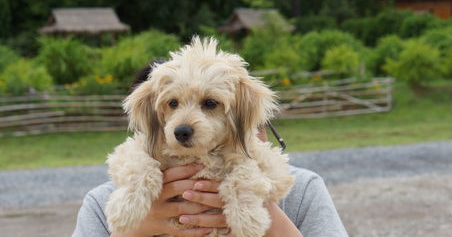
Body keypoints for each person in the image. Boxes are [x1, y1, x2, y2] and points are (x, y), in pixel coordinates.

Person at [71, 62, 349, 237]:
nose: (184, 125)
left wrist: (269, 219)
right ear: (151, 119)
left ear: (246, 117)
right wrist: (132, 233)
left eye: (210, 104)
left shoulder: (300, 192)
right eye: (173, 104)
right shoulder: (102, 204)